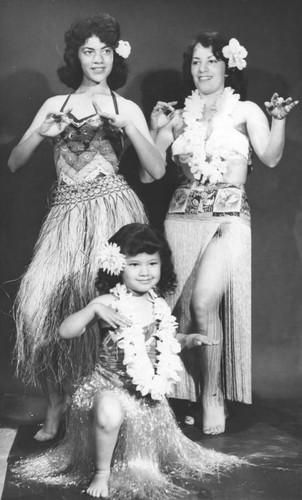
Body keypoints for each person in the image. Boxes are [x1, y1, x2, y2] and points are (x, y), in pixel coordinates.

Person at [7, 12, 165, 442]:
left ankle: (107, 411)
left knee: (110, 311)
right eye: (88, 51)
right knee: (42, 308)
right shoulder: (53, 106)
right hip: (64, 219)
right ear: (76, 56)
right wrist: (41, 133)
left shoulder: (125, 107)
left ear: (115, 55)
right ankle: (56, 404)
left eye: (105, 51)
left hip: (114, 215)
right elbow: (15, 162)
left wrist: (130, 127)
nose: (98, 59)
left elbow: (155, 169)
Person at [12, 223, 243, 499]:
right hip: (105, 388)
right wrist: (93, 309)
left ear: (162, 266)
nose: (145, 272)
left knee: (132, 417)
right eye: (135, 264)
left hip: (143, 396)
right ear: (118, 267)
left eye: (152, 263)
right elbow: (66, 331)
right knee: (110, 411)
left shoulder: (158, 304)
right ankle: (102, 473)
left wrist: (188, 340)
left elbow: (163, 341)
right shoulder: (110, 301)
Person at [149, 32, 298, 435]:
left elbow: (269, 156)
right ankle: (194, 392)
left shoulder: (247, 110)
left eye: (211, 61)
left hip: (229, 218)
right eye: (196, 62)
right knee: (180, 310)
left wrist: (279, 121)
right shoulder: (178, 115)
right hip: (180, 219)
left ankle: (214, 396)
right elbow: (151, 172)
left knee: (202, 303)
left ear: (227, 66)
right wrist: (155, 128)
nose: (203, 69)